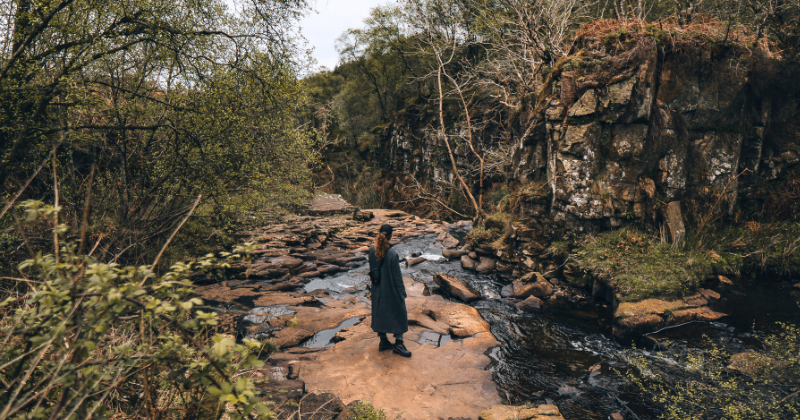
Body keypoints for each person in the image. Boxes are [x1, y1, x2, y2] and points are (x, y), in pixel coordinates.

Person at [368, 224, 411, 357]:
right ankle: (398, 343)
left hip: (377, 290)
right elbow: (397, 278)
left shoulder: (371, 250)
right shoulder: (393, 253)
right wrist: (402, 295)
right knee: (400, 312)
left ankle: (383, 341)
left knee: (379, 312)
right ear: (391, 235)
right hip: (390, 289)